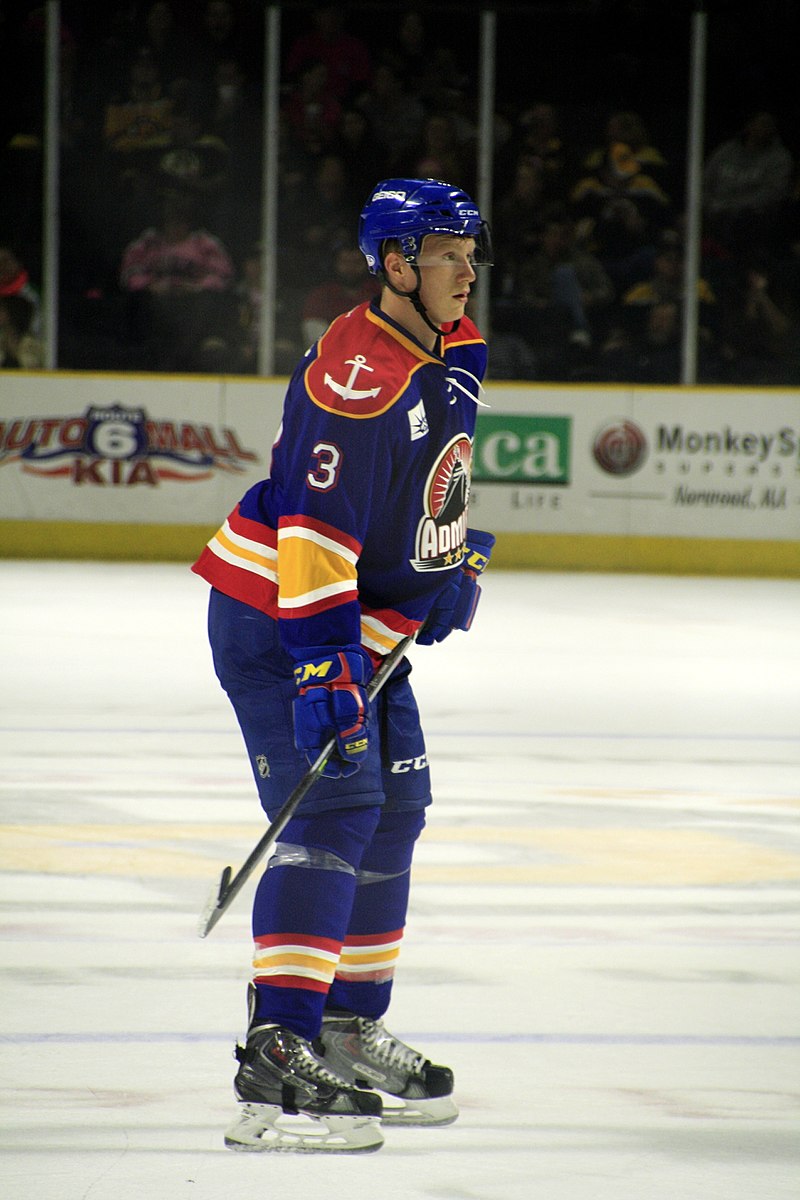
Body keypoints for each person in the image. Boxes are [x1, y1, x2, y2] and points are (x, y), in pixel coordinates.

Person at [191, 178, 496, 1153]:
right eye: (446, 252)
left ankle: (345, 1024)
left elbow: (426, 478)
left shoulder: (448, 350)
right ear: (394, 263)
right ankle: (274, 1053)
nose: (465, 269)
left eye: (467, 252)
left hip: (359, 626)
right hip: (286, 622)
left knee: (395, 809)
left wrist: (437, 560)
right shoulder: (358, 375)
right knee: (333, 811)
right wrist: (323, 666)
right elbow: (314, 531)